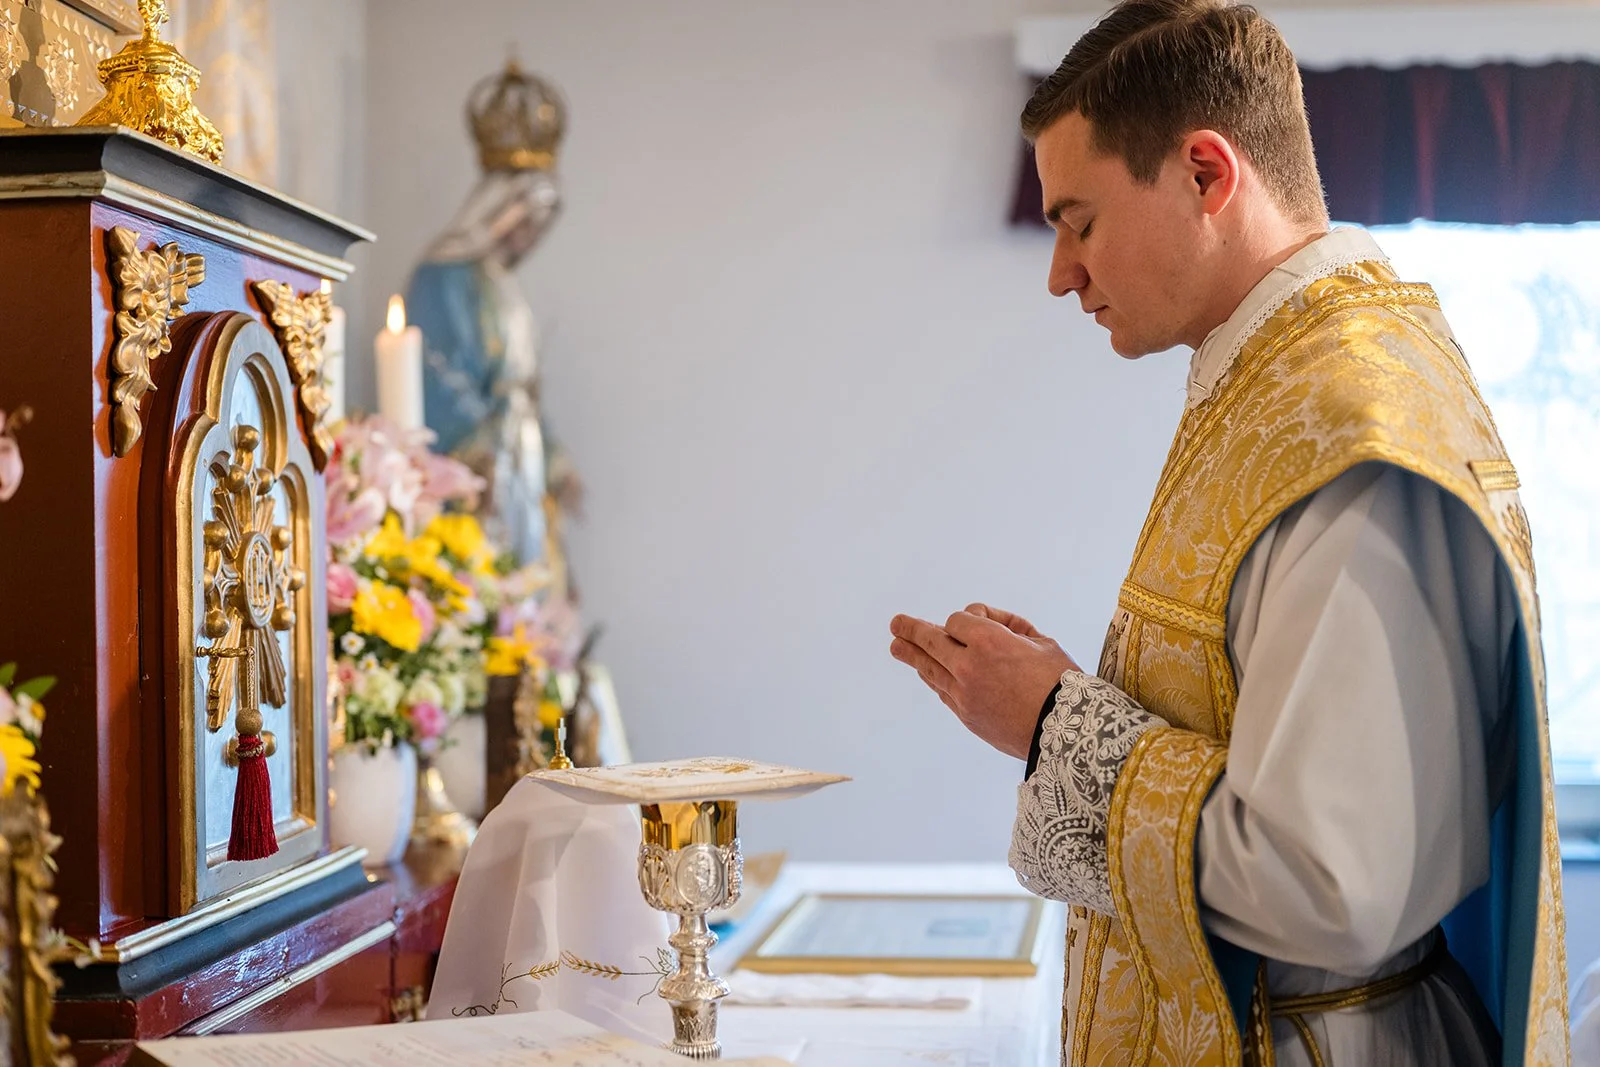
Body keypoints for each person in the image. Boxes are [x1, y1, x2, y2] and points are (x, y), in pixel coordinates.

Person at [888, 2, 1569, 1064]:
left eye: (1080, 220)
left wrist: (1054, 723)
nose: (1059, 272)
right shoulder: (1280, 384)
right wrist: (1064, 694)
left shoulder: (1349, 425)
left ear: (1207, 174)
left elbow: (1332, 882)